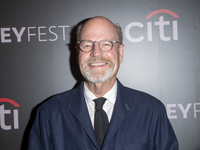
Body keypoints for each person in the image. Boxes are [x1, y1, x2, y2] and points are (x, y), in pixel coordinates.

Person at [28, 16, 178, 150]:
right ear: (77, 54)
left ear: (120, 52)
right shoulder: (49, 113)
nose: (96, 53)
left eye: (106, 44)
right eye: (87, 45)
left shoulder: (151, 111)